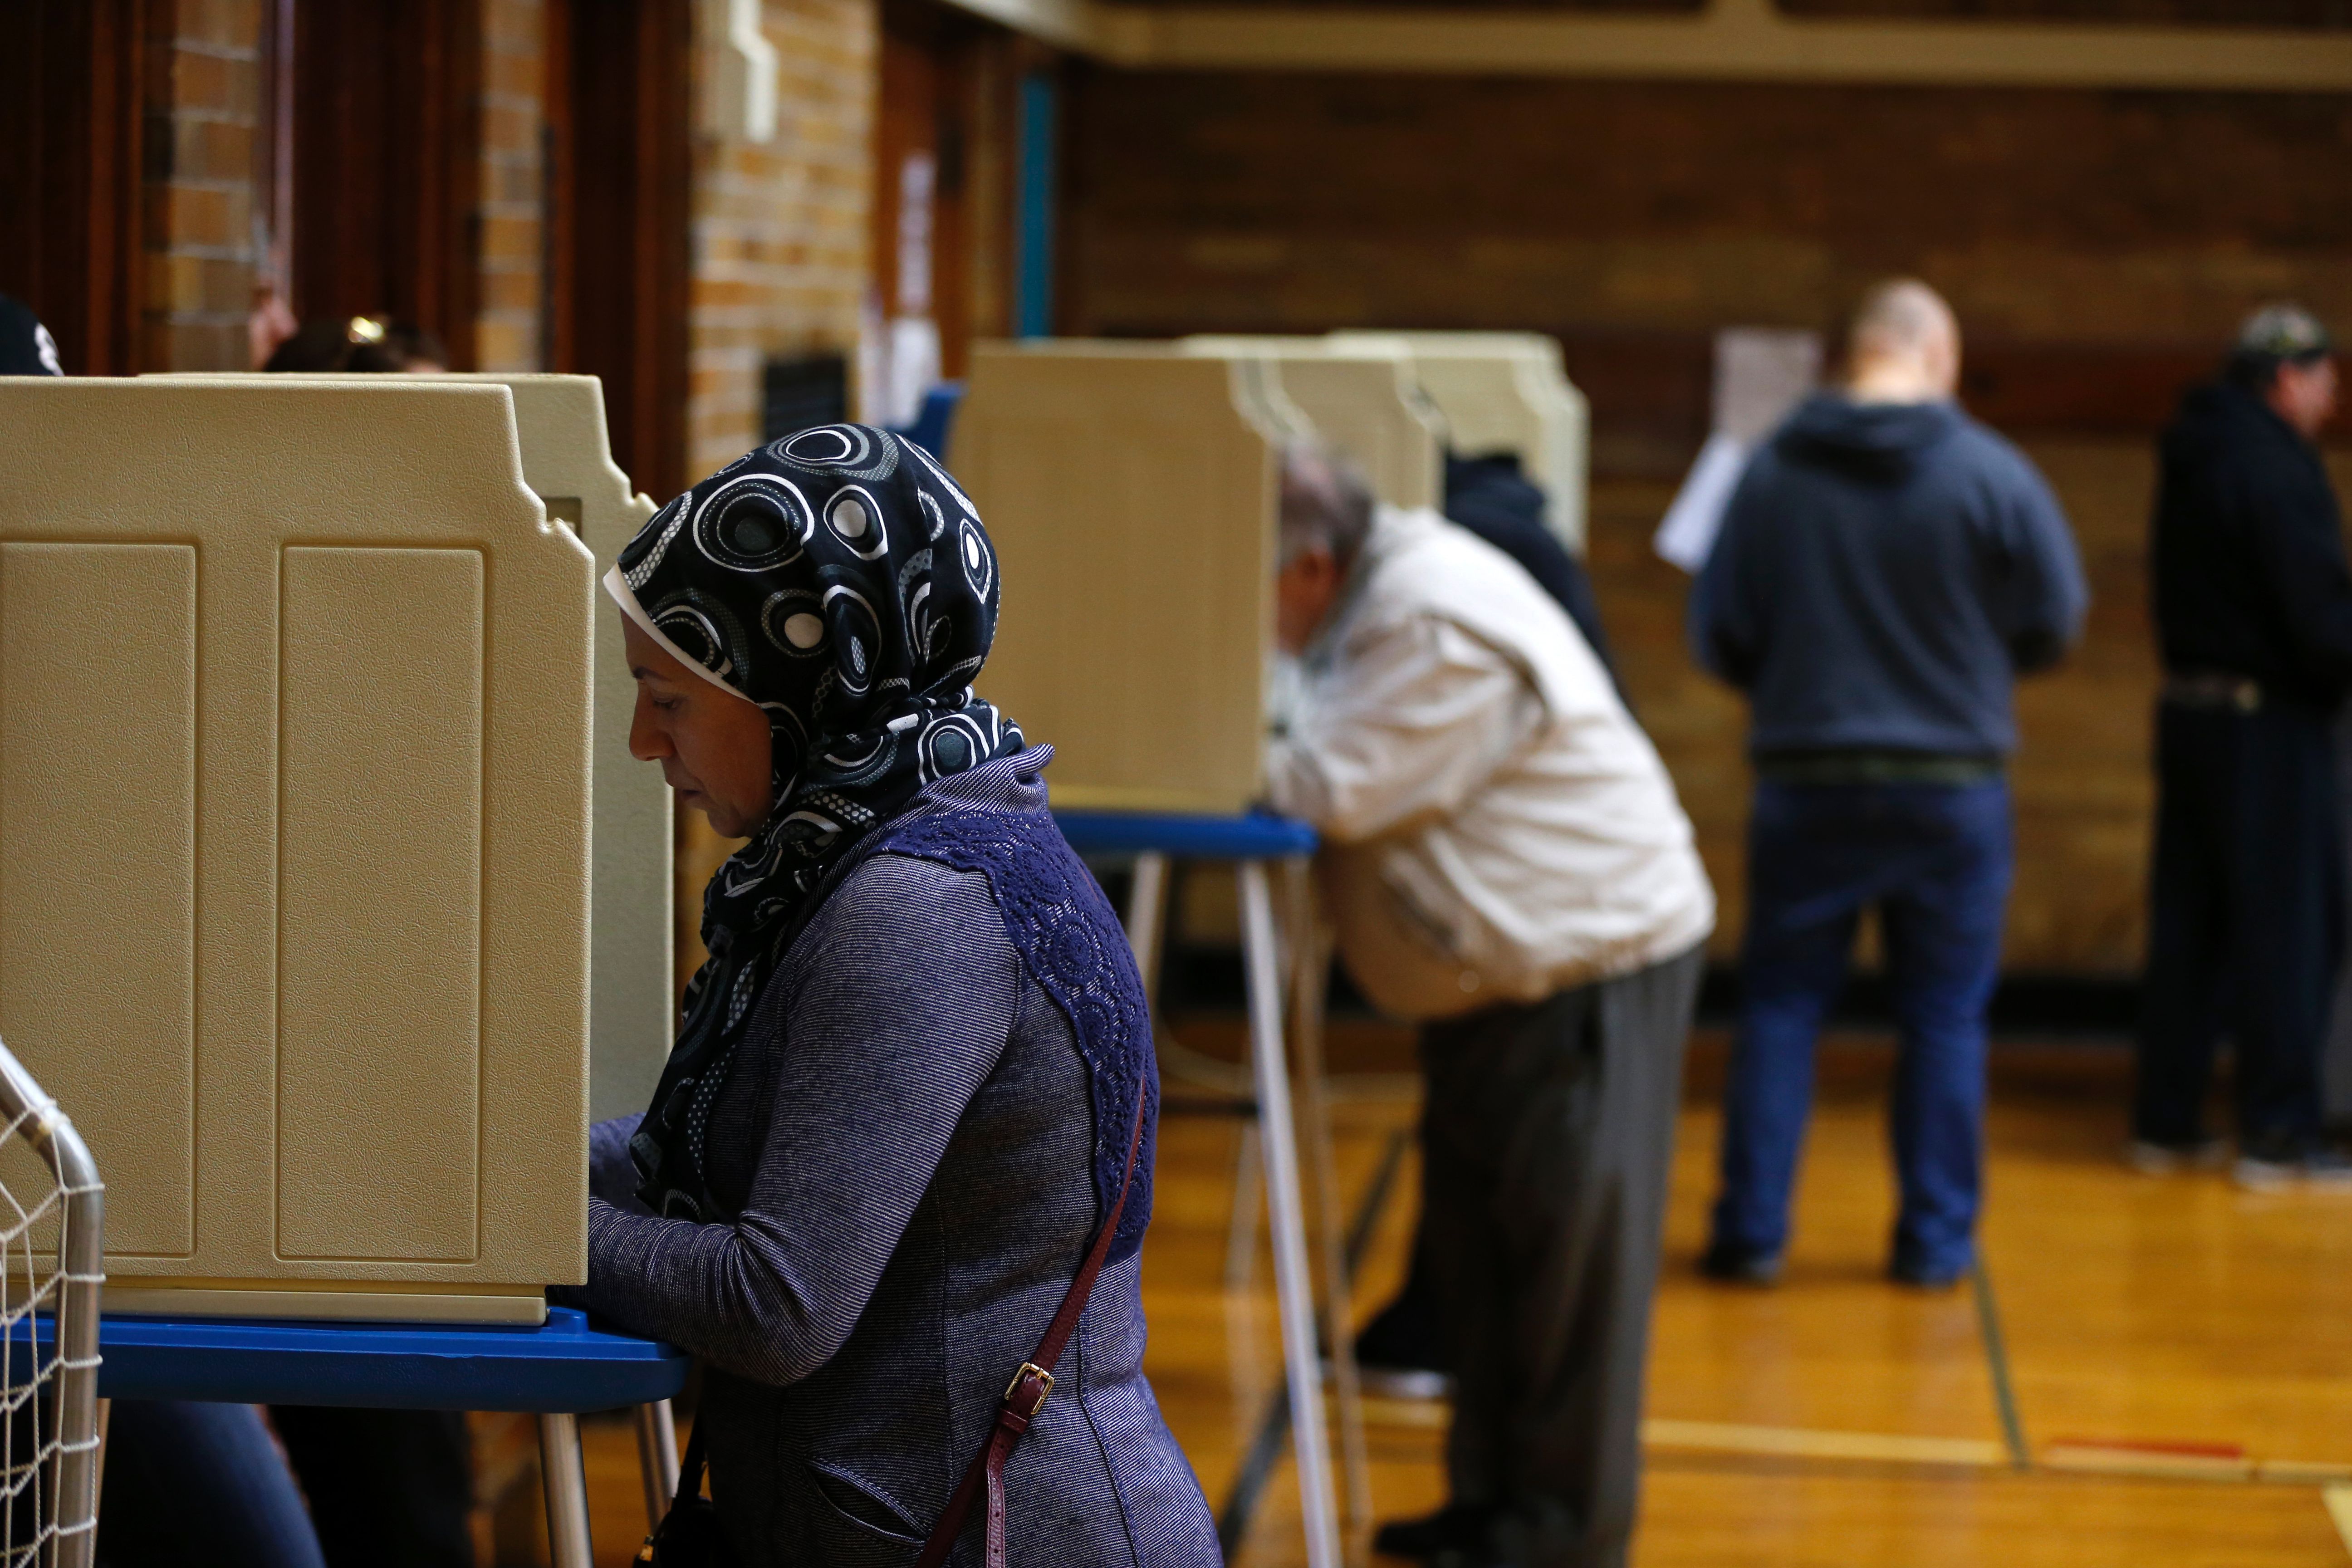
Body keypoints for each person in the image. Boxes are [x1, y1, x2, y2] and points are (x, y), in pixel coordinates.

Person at [568, 426, 1220, 1566]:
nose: (639, 742)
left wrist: (525, 1231)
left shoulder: (918, 905)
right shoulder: (882, 842)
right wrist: (487, 1183)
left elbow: (778, 1305)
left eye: (665, 699)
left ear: (792, 686)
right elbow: (735, 1146)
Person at [1266, 446, 1712, 1568]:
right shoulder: (1388, 590)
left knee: (1569, 1284)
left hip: (1586, 965)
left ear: (1314, 567)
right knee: (1481, 1265)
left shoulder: (1433, 621)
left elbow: (1328, 783)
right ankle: (1490, 1511)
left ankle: (1561, 1538)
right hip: (1499, 975)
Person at [1692, 279, 2087, 1289]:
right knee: (1944, 1015)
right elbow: (2057, 616)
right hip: (1953, 783)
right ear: (1938, 354)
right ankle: (1934, 1242)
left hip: (1806, 772)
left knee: (1780, 1006)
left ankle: (1751, 1234)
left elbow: (1720, 629)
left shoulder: (1772, 470)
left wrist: (1791, 690)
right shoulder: (1991, 471)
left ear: (1849, 355)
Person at [2135, 303, 2352, 1188]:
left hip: (2188, 715)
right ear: (2289, 378)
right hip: (2269, 726)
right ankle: (2278, 1131)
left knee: (2189, 927)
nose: (2334, 402)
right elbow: (2321, 626)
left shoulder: (2189, 456)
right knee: (2285, 932)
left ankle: (2167, 1120)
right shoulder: (2277, 469)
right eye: (2329, 381)